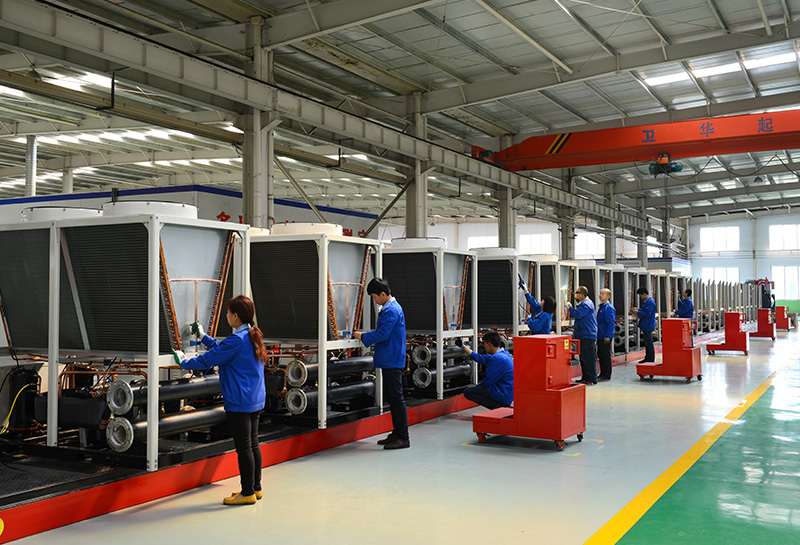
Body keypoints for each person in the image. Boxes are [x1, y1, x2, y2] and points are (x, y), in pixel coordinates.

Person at [173, 295, 267, 506]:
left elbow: (210, 358)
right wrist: (204, 337)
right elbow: (223, 348)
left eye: (227, 312)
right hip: (255, 398)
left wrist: (185, 362)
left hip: (240, 401)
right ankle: (256, 488)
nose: (226, 316)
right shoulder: (250, 334)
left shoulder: (237, 339)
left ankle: (247, 493)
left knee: (244, 448)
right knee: (253, 444)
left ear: (235, 316)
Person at [353, 278, 409, 450]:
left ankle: (403, 437)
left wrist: (363, 336)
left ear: (383, 294)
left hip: (392, 360)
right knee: (393, 398)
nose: (374, 300)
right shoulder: (389, 308)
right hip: (390, 359)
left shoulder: (391, 310)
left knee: (396, 399)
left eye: (374, 296)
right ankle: (397, 433)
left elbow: (383, 334)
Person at [459, 330, 513, 409]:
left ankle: (498, 408)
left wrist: (477, 387)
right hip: (507, 392)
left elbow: (488, 381)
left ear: (489, 344)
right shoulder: (504, 353)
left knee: (468, 392)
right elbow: (479, 357)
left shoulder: (497, 359)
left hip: (502, 394)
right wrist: (463, 347)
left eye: (484, 344)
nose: (484, 346)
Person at [568, 286, 598, 385]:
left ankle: (591, 379)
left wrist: (570, 308)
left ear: (581, 295)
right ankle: (585, 378)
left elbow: (578, 315)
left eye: (576, 293)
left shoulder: (586, 305)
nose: (575, 294)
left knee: (588, 358)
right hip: (584, 334)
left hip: (587, 335)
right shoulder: (585, 303)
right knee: (584, 358)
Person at [631, 287, 657, 363]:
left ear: (644, 294)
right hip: (646, 325)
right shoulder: (648, 301)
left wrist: (637, 312)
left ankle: (650, 359)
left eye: (641, 295)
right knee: (647, 343)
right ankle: (647, 357)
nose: (640, 297)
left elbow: (647, 313)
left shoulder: (650, 302)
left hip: (648, 325)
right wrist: (638, 310)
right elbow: (645, 310)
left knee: (649, 343)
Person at [596, 288, 615, 382]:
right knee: (601, 355)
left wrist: (608, 336)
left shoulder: (609, 308)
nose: (600, 295)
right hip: (600, 335)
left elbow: (611, 323)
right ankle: (602, 373)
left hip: (605, 336)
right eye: (600, 293)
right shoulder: (601, 307)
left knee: (605, 356)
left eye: (603, 294)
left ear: (608, 296)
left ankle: (606, 375)